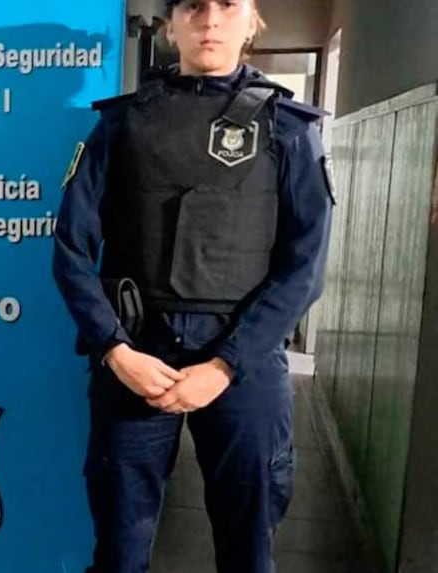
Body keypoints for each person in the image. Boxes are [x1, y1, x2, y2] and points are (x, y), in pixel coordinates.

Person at [52, 1, 334, 572]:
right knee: (120, 548)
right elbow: (71, 251)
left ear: (251, 21)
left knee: (248, 547)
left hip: (243, 357)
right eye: (194, 6)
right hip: (138, 355)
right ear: (171, 23)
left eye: (228, 5)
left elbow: (305, 265)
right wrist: (115, 350)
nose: (210, 20)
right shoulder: (121, 125)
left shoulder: (289, 129)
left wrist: (226, 364)